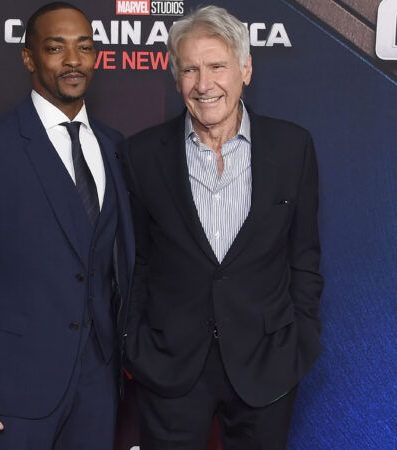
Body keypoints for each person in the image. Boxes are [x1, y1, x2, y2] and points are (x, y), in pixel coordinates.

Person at [0, 3, 134, 449]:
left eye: (84, 48)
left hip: (98, 386)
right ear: (29, 58)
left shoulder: (114, 146)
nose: (72, 61)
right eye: (55, 48)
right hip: (12, 388)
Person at [123, 5, 323, 449]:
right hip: (170, 365)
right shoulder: (140, 156)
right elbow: (135, 261)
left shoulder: (293, 148)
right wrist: (136, 345)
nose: (204, 83)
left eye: (217, 66)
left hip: (266, 363)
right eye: (190, 69)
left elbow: (304, 255)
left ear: (246, 69)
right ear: (176, 79)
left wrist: (299, 340)